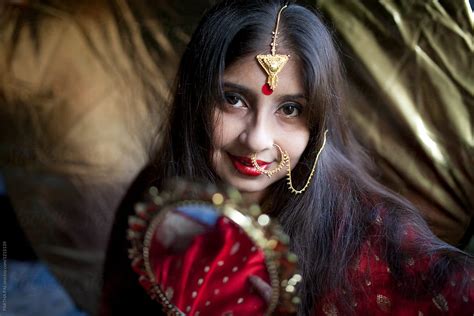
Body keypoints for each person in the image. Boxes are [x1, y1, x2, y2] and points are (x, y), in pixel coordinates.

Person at [100, 0, 474, 315]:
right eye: (233, 99)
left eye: (291, 109)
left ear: (318, 124)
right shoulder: (156, 192)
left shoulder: (370, 234)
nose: (257, 139)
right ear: (194, 100)